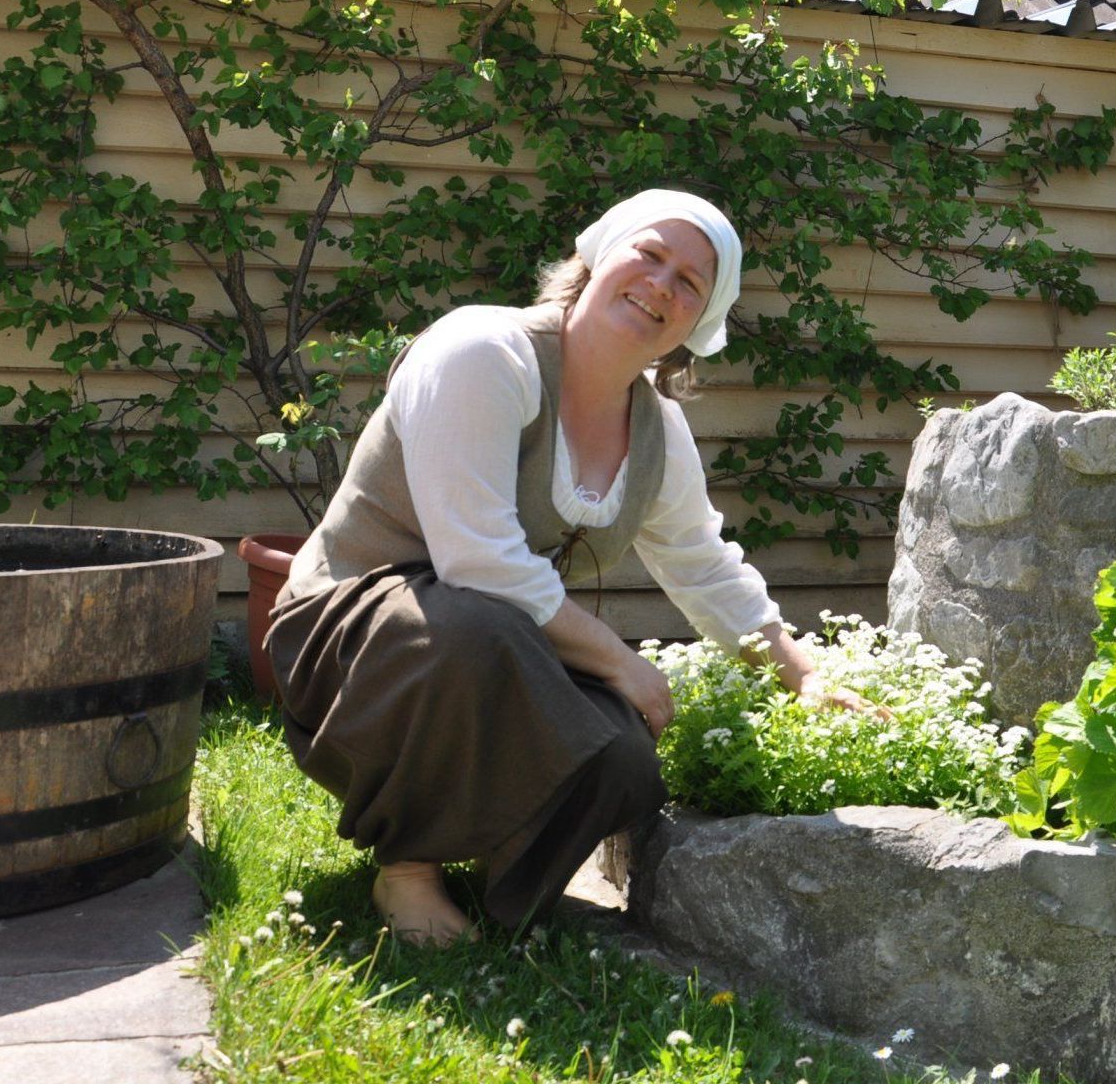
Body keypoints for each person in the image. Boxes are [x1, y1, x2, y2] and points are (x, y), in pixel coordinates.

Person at [265, 189, 868, 947]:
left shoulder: (658, 430)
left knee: (624, 755)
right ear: (598, 256)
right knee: (474, 629)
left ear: (699, 322)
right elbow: (476, 560)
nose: (660, 285)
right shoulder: (484, 351)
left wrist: (802, 677)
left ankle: (502, 878)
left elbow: (704, 566)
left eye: (689, 282)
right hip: (350, 642)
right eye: (649, 254)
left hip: (491, 637)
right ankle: (409, 866)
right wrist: (618, 659)